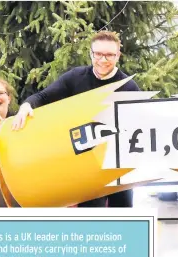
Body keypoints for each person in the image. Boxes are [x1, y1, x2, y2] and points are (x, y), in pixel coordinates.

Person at [11, 30, 140, 207]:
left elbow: (140, 125)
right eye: (98, 54)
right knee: (90, 219)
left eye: (109, 55)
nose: (103, 60)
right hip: (85, 164)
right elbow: (43, 97)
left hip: (118, 164)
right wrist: (26, 106)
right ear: (91, 54)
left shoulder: (128, 86)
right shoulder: (75, 77)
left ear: (118, 56)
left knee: (124, 215)